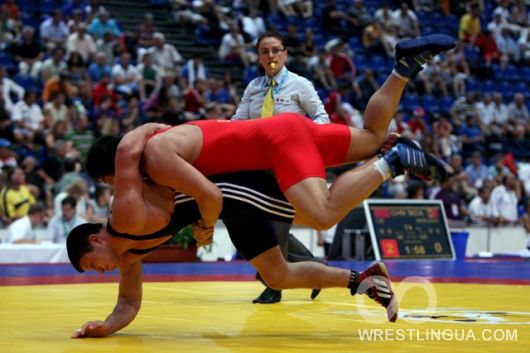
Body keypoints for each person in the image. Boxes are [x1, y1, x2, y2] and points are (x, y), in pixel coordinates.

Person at [232, 31, 330, 303]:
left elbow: (322, 118)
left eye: (276, 50)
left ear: (285, 54)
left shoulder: (301, 85)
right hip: (257, 168)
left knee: (276, 224)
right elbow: (238, 123)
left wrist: (306, 144)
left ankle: (273, 284)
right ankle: (315, 266)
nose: (271, 55)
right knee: (263, 222)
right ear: (259, 58)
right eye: (265, 51)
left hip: (288, 166)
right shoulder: (253, 88)